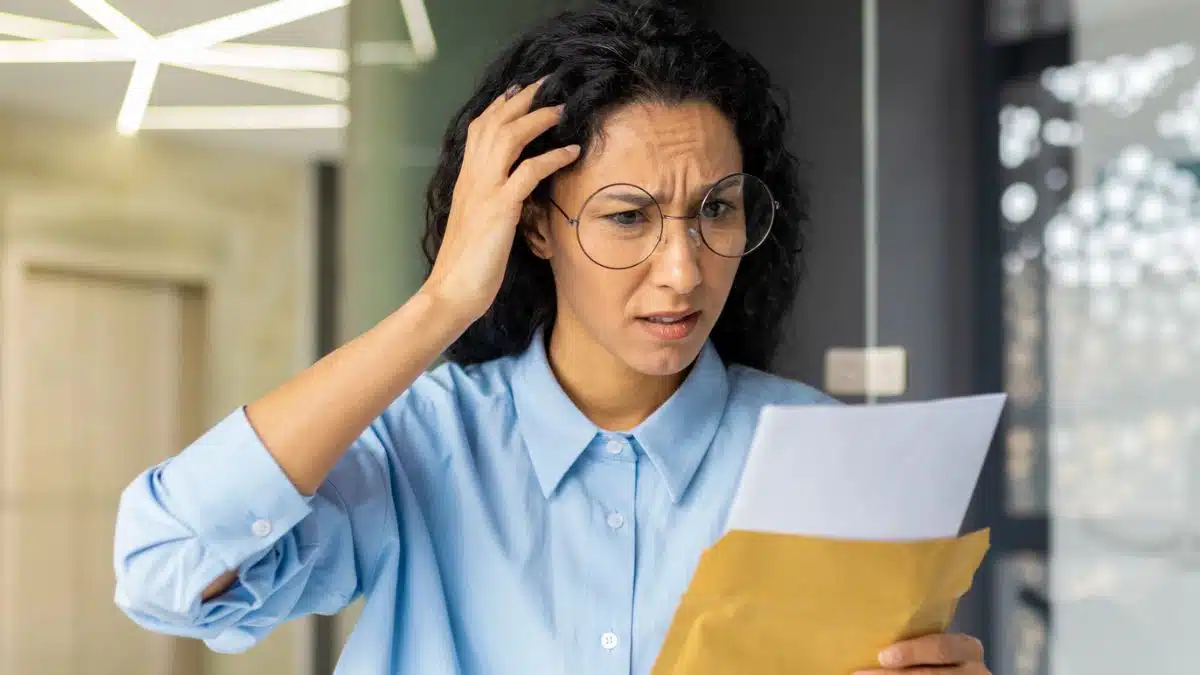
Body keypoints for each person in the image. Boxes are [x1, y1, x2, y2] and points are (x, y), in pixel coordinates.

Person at [112, 1, 988, 673]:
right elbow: (166, 570)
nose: (683, 270)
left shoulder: (825, 453)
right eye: (626, 217)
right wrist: (442, 303)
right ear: (532, 227)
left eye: (715, 209)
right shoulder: (423, 441)